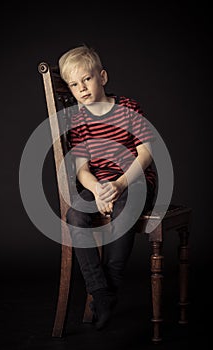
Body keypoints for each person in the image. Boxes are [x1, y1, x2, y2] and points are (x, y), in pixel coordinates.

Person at [58, 44, 157, 330]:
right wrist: (100, 189)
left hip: (133, 179)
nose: (82, 88)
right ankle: (101, 293)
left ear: (102, 76)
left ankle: (110, 285)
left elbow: (145, 154)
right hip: (100, 183)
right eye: (74, 85)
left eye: (86, 79)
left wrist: (120, 183)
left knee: (128, 206)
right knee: (75, 215)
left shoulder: (128, 108)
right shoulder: (79, 121)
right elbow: (82, 170)